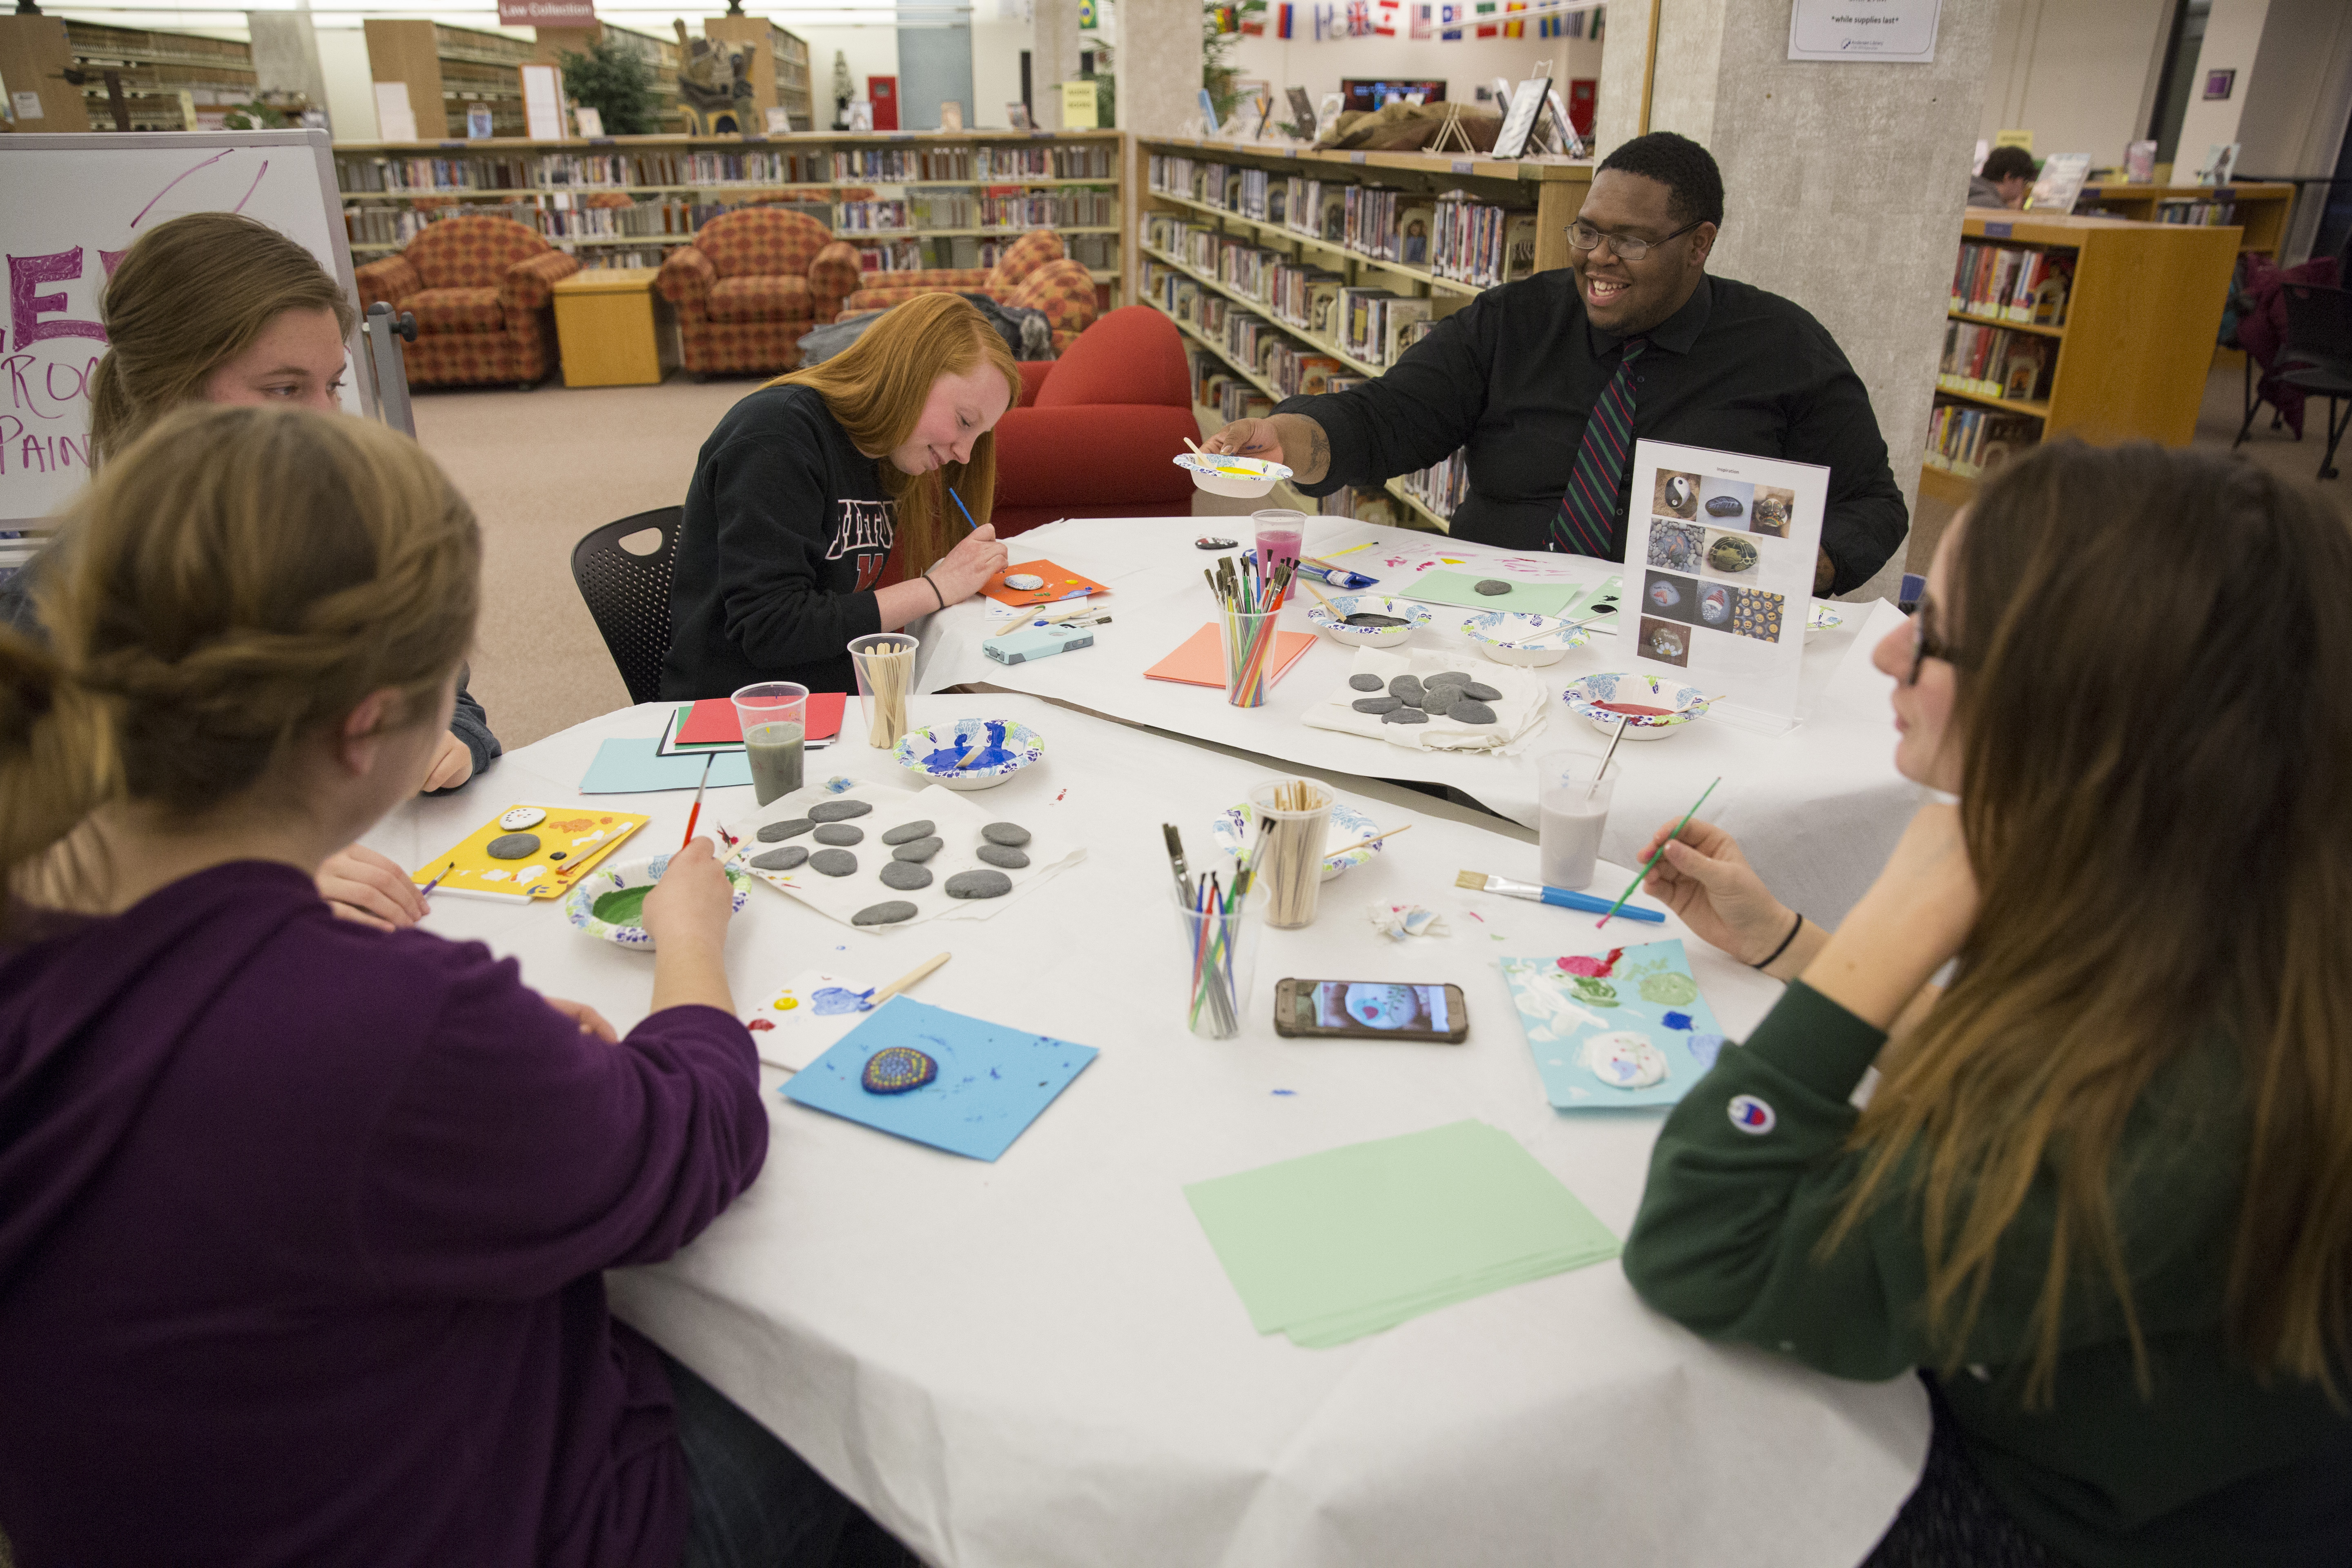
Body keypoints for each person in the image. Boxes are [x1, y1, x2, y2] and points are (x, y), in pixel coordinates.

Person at [0, 403, 904, 1568]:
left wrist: (494, 1072)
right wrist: (690, 943)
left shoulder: (50, 930)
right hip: (525, 1524)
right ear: (370, 726)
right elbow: (690, 1148)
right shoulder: (381, 1020)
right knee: (855, 1415)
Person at [1618, 441, 2352, 1568]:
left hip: (2051, 1520)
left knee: (1653, 1473)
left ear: (2079, 700)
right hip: (2130, 1449)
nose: (1892, 654)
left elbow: (1704, 1243)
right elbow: (2026, 1060)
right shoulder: (2220, 910)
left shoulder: (2187, 1112)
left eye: (1938, 632)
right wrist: (1791, 942)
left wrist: (1893, 925)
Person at [0, 210, 500, 932]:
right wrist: (248, 868)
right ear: (172, 396)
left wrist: (451, 737)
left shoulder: (342, 537)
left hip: (389, 893)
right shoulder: (57, 604)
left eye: (333, 386)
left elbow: (446, 692)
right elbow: (40, 854)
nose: (328, 423)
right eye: (283, 390)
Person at [1201, 132, 1908, 596]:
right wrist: (1286, 438)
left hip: (1669, 636)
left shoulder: (1784, 348)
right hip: (1489, 610)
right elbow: (1389, 416)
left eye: (1629, 241)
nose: (1598, 257)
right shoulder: (1514, 320)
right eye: (1589, 231)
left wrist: (1802, 565)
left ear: (1698, 245)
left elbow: (1873, 503)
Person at [661, 293, 1017, 701]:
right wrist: (935, 588)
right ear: (911, 373)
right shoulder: (776, 437)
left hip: (821, 687)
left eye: (979, 435)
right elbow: (771, 630)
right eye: (964, 421)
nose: (965, 454)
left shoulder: (882, 453)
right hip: (744, 712)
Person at [1970, 145, 2037, 209]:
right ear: (2009, 177)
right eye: (2024, 183)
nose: (2024, 189)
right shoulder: (1991, 205)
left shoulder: (1973, 189)